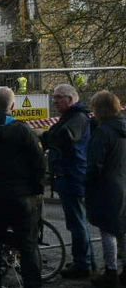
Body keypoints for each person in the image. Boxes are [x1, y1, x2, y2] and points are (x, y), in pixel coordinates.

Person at [0, 86, 45, 288]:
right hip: (22, 197)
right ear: (13, 105)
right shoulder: (23, 130)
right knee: (28, 245)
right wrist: (36, 188)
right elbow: (38, 162)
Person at [40, 84, 94, 278]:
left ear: (70, 99)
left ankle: (83, 264)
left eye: (58, 97)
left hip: (72, 176)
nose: (54, 101)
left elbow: (64, 138)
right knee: (78, 221)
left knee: (76, 222)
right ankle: (86, 260)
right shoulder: (71, 117)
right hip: (70, 175)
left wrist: (45, 136)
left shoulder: (77, 118)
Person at [86, 91, 126, 288]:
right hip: (123, 181)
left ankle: (110, 272)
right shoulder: (122, 128)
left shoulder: (104, 132)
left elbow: (94, 163)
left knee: (108, 229)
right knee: (123, 228)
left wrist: (88, 182)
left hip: (107, 186)